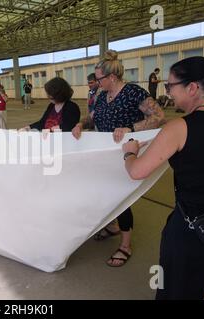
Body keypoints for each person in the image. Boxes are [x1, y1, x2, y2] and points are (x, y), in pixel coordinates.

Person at [122, 57, 204, 299]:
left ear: (192, 87)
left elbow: (137, 171)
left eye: (170, 86)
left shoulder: (179, 127)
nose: (168, 92)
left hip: (192, 233)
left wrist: (129, 153)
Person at [72, 50, 165, 267]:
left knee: (121, 198)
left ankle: (125, 245)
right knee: (105, 193)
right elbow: (93, 118)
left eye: (99, 79)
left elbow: (159, 116)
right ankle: (113, 227)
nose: (96, 82)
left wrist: (131, 127)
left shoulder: (133, 92)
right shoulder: (102, 96)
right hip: (105, 155)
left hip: (125, 154)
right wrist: (81, 124)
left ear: (112, 77)